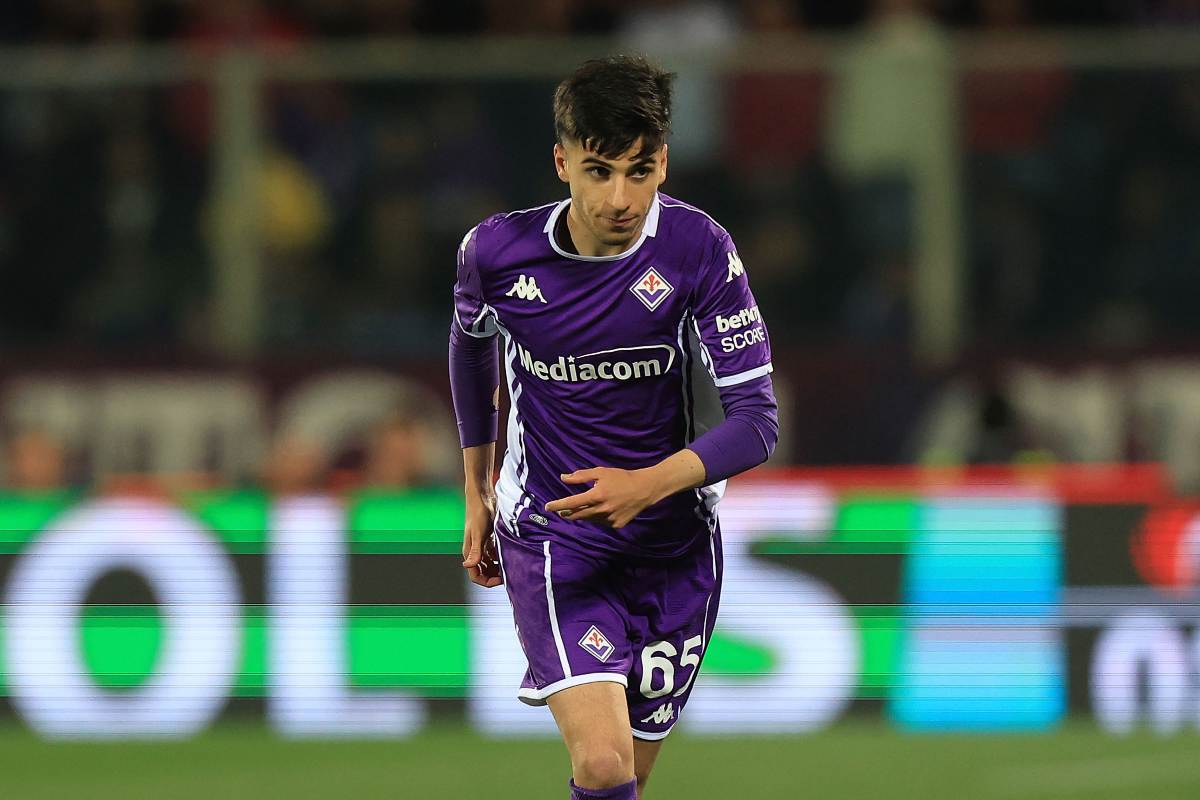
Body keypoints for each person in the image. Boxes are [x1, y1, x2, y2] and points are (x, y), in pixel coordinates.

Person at [448, 55, 778, 800]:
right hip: (556, 538)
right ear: (562, 162)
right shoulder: (497, 254)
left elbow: (758, 423)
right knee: (602, 763)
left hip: (675, 548)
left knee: (622, 779)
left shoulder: (699, 251)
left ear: (663, 161)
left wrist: (648, 486)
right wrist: (475, 487)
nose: (620, 197)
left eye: (640, 170)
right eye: (599, 171)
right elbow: (471, 348)